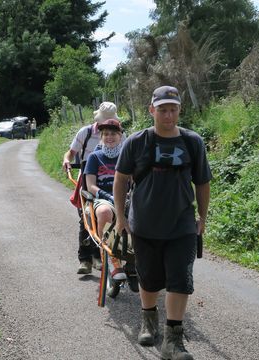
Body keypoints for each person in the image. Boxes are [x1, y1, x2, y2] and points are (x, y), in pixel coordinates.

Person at [113, 86, 211, 360]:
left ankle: (173, 341)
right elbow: (121, 180)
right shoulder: (137, 141)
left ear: (180, 109)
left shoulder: (193, 142)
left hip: (181, 226)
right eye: (163, 109)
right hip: (143, 225)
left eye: (173, 109)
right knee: (149, 278)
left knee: (181, 279)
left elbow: (202, 183)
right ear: (151, 110)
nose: (168, 115)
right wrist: (121, 217)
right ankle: (148, 320)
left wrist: (202, 218)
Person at [62, 101, 118, 274]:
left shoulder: (118, 133)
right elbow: (71, 153)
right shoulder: (85, 133)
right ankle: (85, 259)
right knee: (86, 218)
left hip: (114, 179)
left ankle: (102, 255)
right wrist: (67, 160)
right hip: (88, 178)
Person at [83, 117, 127, 280]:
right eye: (105, 134)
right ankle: (110, 258)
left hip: (124, 198)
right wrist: (108, 196)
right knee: (104, 212)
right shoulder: (95, 157)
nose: (109, 137)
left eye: (113, 134)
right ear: (101, 137)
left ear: (120, 136)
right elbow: (91, 186)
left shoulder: (126, 156)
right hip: (102, 198)